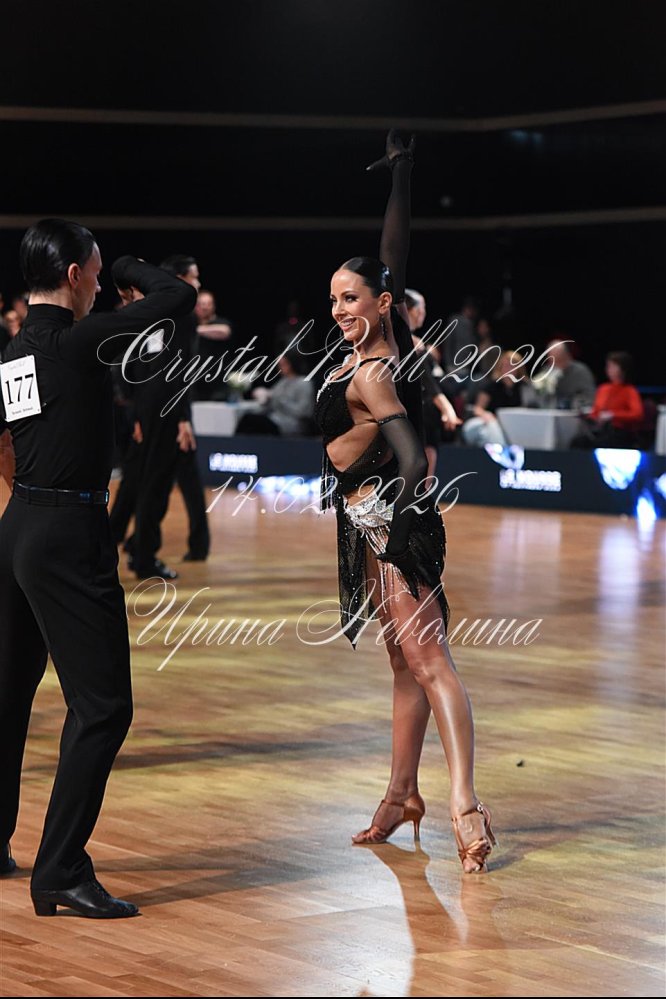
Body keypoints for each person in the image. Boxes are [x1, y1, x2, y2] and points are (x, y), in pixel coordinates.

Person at [0, 218, 196, 916]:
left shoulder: (14, 350)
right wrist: (132, 267)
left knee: (8, 692)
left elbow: (7, 441)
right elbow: (176, 297)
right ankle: (59, 869)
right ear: (76, 275)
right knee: (104, 706)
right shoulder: (80, 341)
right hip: (68, 532)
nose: (101, 283)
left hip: (18, 525)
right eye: (98, 268)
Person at [313, 132, 497, 873]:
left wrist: (393, 523)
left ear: (382, 302)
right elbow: (393, 250)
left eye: (350, 297)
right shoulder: (382, 344)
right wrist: (401, 174)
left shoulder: (376, 369)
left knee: (429, 661)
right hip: (371, 523)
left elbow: (415, 456)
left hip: (389, 525)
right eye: (334, 298)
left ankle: (466, 805)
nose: (338, 308)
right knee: (403, 660)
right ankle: (401, 794)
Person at [570, 351, 644, 448]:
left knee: (603, 442)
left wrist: (613, 415)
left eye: (613, 366)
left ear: (623, 369)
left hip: (620, 432)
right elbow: (596, 412)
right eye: (608, 366)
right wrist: (587, 417)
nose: (609, 369)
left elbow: (637, 414)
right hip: (601, 431)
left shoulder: (630, 391)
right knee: (578, 442)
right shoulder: (603, 389)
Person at [236, 349, 315, 436]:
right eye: (279, 365)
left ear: (292, 363)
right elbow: (272, 404)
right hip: (275, 418)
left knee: (253, 421)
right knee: (247, 418)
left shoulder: (304, 383)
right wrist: (264, 400)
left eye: (283, 364)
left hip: (292, 423)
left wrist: (278, 399)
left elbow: (304, 412)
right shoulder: (282, 382)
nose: (280, 368)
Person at [461, 350, 524, 447]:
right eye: (506, 366)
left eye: (512, 366)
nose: (509, 369)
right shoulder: (490, 386)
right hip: (489, 422)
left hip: (513, 427)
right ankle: (501, 449)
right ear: (500, 367)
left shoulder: (523, 388)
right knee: (487, 428)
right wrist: (487, 415)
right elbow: (478, 409)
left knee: (486, 436)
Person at [546, 338, 596, 410]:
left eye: (558, 360)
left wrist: (572, 403)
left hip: (575, 412)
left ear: (566, 356)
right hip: (550, 411)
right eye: (551, 360)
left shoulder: (580, 371)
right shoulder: (547, 370)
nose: (554, 364)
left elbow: (590, 396)